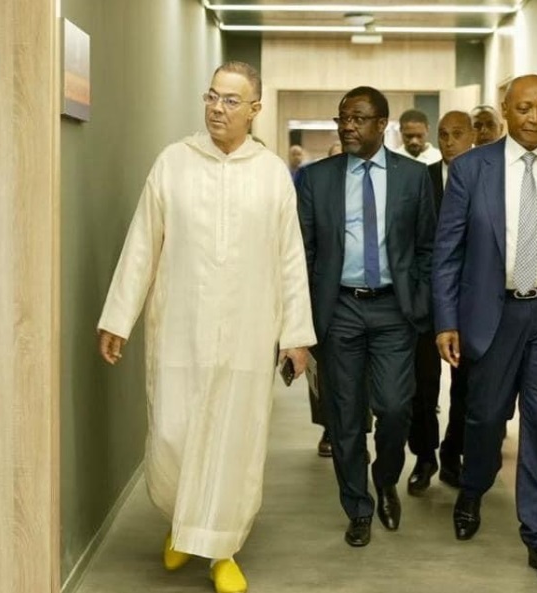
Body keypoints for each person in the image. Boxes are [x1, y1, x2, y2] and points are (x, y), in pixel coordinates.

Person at [96, 61, 315, 593]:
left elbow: (290, 258)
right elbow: (143, 243)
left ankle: (222, 550)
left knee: (234, 442)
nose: (217, 108)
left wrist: (296, 336)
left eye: (231, 101)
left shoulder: (271, 175)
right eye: (212, 96)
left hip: (247, 330)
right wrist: (118, 317)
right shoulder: (174, 163)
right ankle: (182, 523)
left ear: (254, 110)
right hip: (179, 325)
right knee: (173, 432)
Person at [432, 75, 537, 587]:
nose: (535, 118)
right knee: (484, 417)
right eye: (525, 108)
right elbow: (447, 252)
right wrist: (446, 320)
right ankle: (473, 488)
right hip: (493, 313)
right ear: (505, 110)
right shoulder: (471, 169)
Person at [296, 86, 435, 547]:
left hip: (395, 309)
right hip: (340, 309)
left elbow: (427, 247)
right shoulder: (317, 179)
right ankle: (358, 507)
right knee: (345, 416)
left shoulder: (414, 177)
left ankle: (386, 477)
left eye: (358, 119)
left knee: (395, 408)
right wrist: (305, 317)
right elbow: (304, 252)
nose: (347, 127)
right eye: (342, 118)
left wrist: (420, 300)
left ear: (381, 124)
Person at [406, 110, 475, 495]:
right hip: (427, 299)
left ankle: (453, 454)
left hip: (472, 301)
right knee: (422, 384)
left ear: (472, 137)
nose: (449, 142)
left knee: (466, 384)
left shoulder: (487, 179)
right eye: (444, 134)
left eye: (457, 134)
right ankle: (424, 457)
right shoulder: (423, 178)